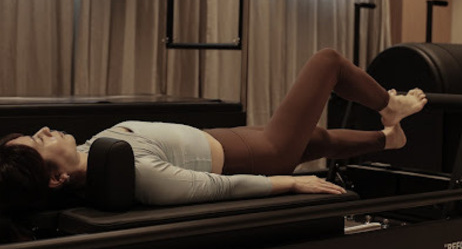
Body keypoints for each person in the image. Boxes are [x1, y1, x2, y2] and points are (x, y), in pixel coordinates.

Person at [0, 49, 427, 213]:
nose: (44, 129)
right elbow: (214, 188)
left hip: (234, 139)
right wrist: (290, 183)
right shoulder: (132, 170)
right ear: (57, 178)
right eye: (38, 142)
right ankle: (391, 105)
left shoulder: (94, 154)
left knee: (316, 138)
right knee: (327, 62)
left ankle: (390, 138)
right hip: (260, 154)